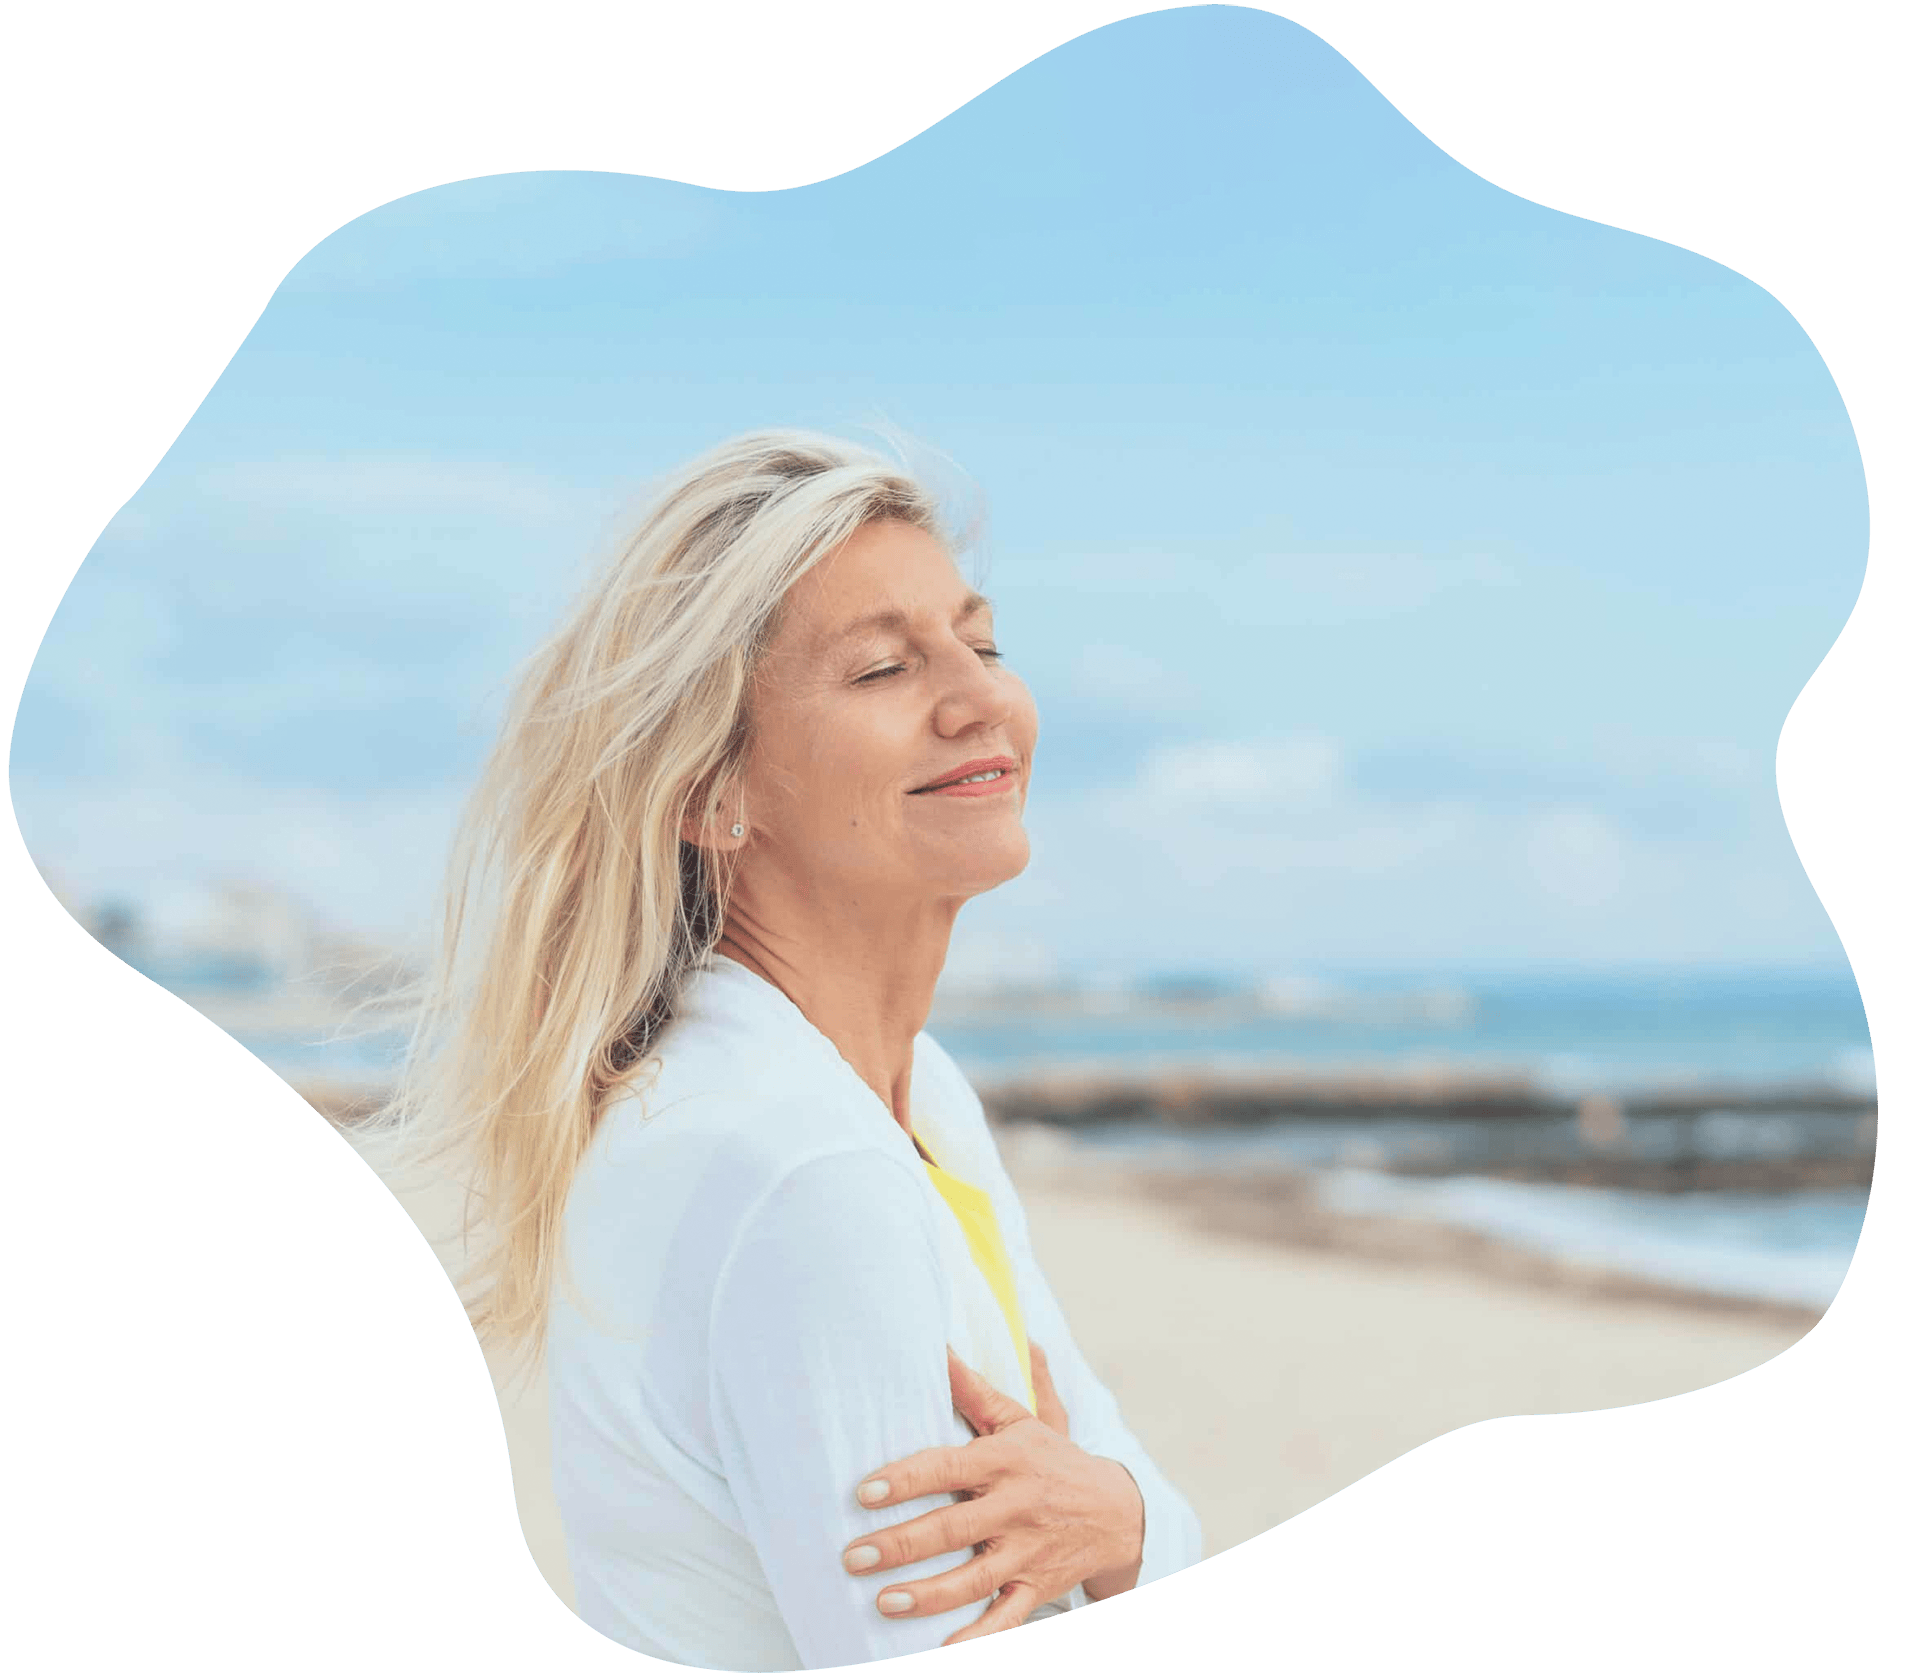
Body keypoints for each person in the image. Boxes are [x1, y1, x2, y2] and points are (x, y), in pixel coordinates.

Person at [361, 431, 1204, 1670]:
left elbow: (1122, 1495)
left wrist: (1118, 1518)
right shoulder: (802, 1172)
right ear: (710, 795)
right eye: (881, 669)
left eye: (979, 642)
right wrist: (1122, 1519)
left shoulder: (916, 1106)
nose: (978, 698)